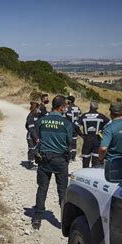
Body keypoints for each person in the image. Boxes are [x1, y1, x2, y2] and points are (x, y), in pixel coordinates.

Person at [32, 95, 73, 229]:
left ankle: (37, 219)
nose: (66, 108)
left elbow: (37, 136)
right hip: (60, 160)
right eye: (65, 106)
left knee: (42, 188)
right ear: (61, 107)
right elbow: (69, 142)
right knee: (62, 191)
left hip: (44, 159)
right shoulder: (67, 123)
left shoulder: (42, 120)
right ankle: (64, 222)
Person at [78, 101, 110, 168]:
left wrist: (81, 135)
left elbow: (75, 126)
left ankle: (84, 174)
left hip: (86, 139)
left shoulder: (84, 116)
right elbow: (110, 124)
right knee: (96, 162)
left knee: (85, 160)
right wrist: (103, 132)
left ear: (90, 106)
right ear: (97, 107)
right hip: (97, 139)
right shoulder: (101, 116)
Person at [65, 95, 81, 161]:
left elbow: (66, 117)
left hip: (70, 127)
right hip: (76, 127)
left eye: (67, 100)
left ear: (70, 101)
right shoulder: (78, 108)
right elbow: (80, 116)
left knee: (69, 142)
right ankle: (73, 157)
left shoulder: (68, 108)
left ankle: (69, 156)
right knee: (74, 142)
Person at [25, 101, 40, 169]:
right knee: (32, 149)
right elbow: (31, 129)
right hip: (31, 136)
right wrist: (36, 138)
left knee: (36, 150)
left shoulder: (37, 115)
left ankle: (35, 162)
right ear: (36, 108)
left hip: (35, 136)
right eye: (38, 108)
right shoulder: (30, 116)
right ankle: (30, 164)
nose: (39, 110)